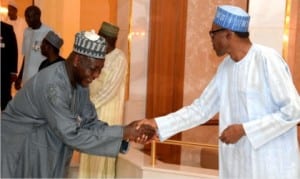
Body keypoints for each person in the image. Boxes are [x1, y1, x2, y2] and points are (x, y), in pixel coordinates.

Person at [138, 5, 300, 179]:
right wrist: (157, 124)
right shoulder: (226, 68)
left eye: (213, 34)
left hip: (271, 165)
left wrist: (244, 130)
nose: (211, 40)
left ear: (229, 34)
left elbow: (294, 110)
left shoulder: (267, 59)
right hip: (239, 165)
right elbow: (200, 109)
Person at [1, 30, 155, 178]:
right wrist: (124, 132)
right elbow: (70, 134)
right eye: (93, 69)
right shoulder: (53, 85)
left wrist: (128, 132)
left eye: (100, 70)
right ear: (77, 60)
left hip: (45, 148)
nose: (96, 75)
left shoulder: (80, 83)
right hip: (20, 148)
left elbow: (89, 123)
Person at [79, 22, 128, 178]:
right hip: (90, 113)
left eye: (103, 39)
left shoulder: (119, 58)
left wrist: (88, 106)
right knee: (88, 155)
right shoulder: (97, 55)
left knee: (100, 159)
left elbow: (109, 91)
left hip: (107, 114)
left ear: (111, 41)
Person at [15, 5, 52, 90]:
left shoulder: (48, 32)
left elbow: (51, 58)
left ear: (38, 16)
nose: (27, 19)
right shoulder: (26, 31)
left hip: (40, 78)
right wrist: (20, 77)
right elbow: (26, 56)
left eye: (29, 16)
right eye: (26, 17)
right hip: (26, 78)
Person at [4, 0, 27, 75]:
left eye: (11, 10)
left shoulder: (23, 23)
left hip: (20, 53)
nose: (9, 12)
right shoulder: (4, 21)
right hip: (7, 54)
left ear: (16, 10)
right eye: (8, 9)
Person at [0, 21, 18, 110]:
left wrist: (13, 72)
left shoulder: (7, 28)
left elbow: (13, 50)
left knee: (5, 97)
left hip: (4, 72)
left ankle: (6, 120)